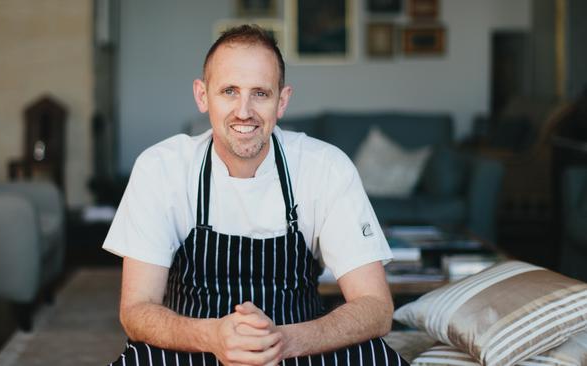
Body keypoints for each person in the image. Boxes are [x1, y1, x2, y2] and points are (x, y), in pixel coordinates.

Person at [103, 25, 408, 366]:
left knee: (373, 356)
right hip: (194, 348)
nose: (244, 110)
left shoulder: (326, 166)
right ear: (202, 96)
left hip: (297, 349)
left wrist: (282, 341)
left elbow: (376, 308)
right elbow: (136, 311)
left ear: (283, 100)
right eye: (229, 91)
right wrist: (213, 336)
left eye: (260, 93)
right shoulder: (160, 168)